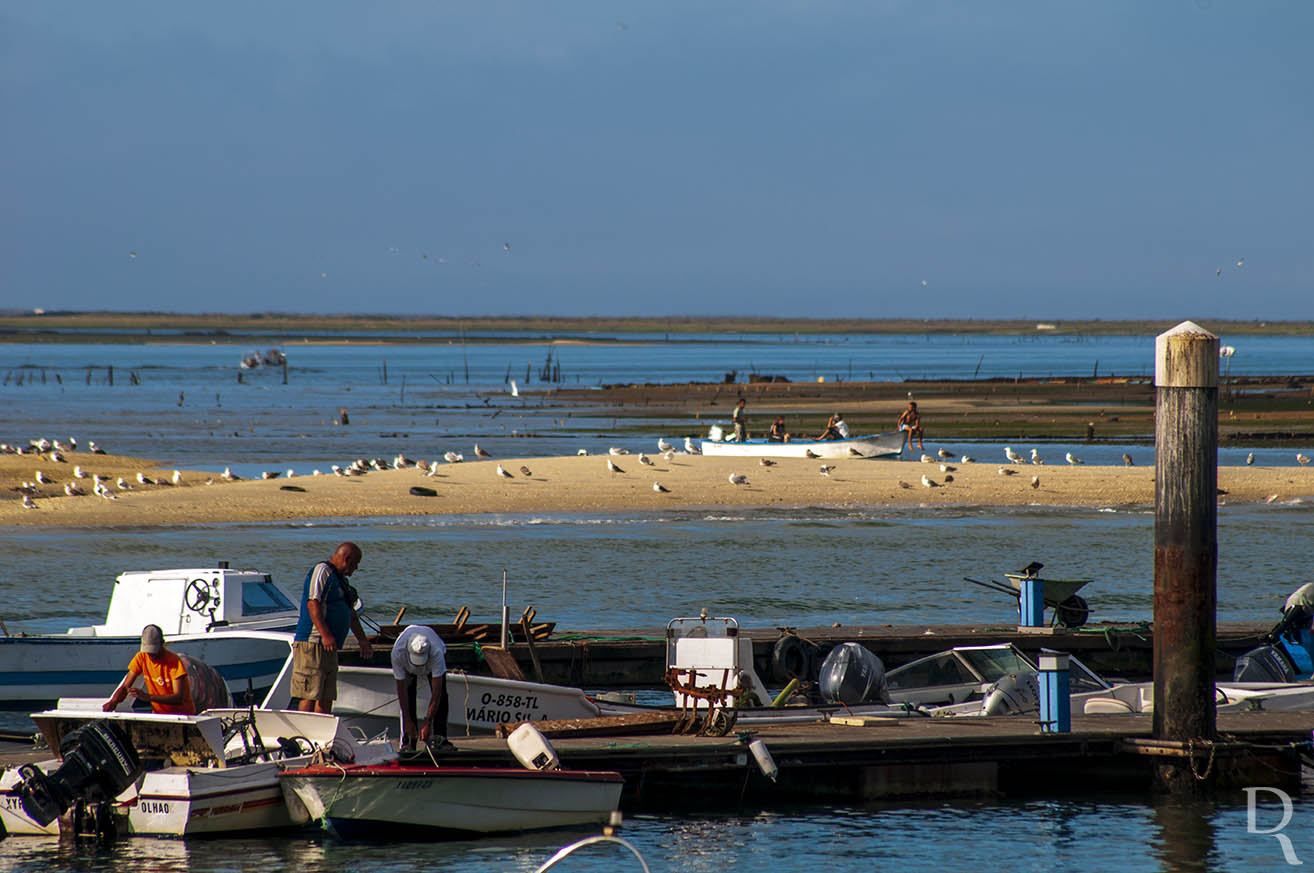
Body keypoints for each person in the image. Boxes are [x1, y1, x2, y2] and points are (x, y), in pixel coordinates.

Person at [292, 542, 374, 713]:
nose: (356, 569)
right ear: (347, 559)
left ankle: (320, 735)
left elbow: (350, 613)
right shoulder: (322, 571)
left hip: (330, 647)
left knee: (326, 695)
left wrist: (362, 640)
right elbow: (312, 604)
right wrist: (326, 634)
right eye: (355, 564)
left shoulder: (340, 580)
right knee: (310, 692)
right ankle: (302, 735)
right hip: (313, 643)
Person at [103, 624, 196, 715]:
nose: (151, 656)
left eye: (154, 651)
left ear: (162, 644)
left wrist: (148, 697)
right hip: (159, 714)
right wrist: (113, 701)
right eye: (148, 652)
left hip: (182, 714)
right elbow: (125, 687)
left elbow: (178, 698)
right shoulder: (141, 657)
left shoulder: (174, 661)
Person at [391, 624, 449, 752]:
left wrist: (428, 721)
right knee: (409, 692)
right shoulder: (397, 653)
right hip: (407, 665)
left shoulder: (437, 652)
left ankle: (440, 738)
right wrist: (407, 720)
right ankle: (408, 740)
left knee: (442, 696)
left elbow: (436, 693)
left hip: (430, 663)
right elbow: (401, 691)